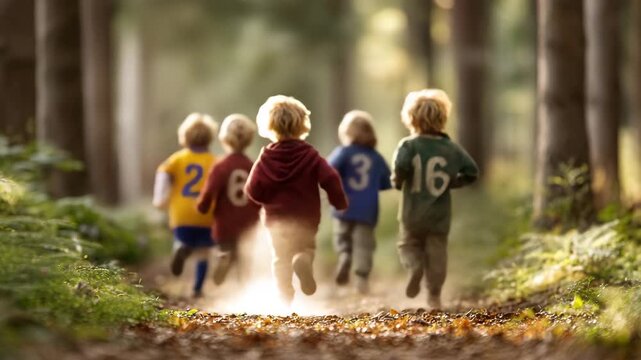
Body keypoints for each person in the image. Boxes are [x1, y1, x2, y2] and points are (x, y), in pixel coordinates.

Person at [245, 95, 348, 304]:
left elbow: (252, 188)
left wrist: (266, 199)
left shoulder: (266, 157)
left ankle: (285, 295)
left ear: (269, 126)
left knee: (281, 259)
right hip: (305, 219)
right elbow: (330, 177)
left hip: (276, 221)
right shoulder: (309, 154)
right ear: (302, 124)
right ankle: (303, 260)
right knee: (306, 248)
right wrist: (339, 202)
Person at [392, 89, 479, 309]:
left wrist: (398, 181)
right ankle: (434, 295)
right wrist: (450, 182)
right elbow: (472, 172)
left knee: (408, 245)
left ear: (411, 118)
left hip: (412, 213)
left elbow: (400, 168)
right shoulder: (451, 148)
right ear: (443, 118)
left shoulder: (408, 145)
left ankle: (414, 269)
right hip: (439, 216)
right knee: (437, 254)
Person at [153, 113, 218, 298]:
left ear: (184, 137)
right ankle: (197, 288)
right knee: (204, 253)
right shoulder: (215, 161)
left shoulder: (177, 159)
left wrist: (160, 199)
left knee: (184, 240)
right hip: (207, 214)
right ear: (210, 138)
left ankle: (181, 247)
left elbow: (163, 174)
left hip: (182, 214)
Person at [328, 110, 391, 294]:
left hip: (344, 205)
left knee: (342, 236)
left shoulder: (343, 152)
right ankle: (362, 278)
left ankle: (345, 255)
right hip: (367, 209)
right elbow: (387, 182)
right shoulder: (376, 157)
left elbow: (329, 171)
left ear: (347, 132)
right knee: (364, 245)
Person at [197, 114, 260, 285]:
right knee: (244, 258)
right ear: (249, 140)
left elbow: (210, 190)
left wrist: (202, 206)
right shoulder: (252, 165)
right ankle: (243, 287)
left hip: (225, 221)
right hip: (248, 222)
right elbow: (260, 193)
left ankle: (224, 258)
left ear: (224, 138)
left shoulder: (221, 166)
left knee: (226, 248)